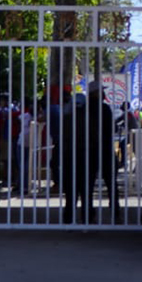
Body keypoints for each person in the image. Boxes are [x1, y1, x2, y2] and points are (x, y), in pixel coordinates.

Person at [59, 83, 121, 225]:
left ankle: (87, 214)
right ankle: (115, 213)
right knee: (111, 183)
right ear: (97, 93)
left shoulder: (81, 110)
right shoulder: (104, 109)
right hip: (104, 149)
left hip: (88, 151)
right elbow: (111, 128)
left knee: (87, 184)